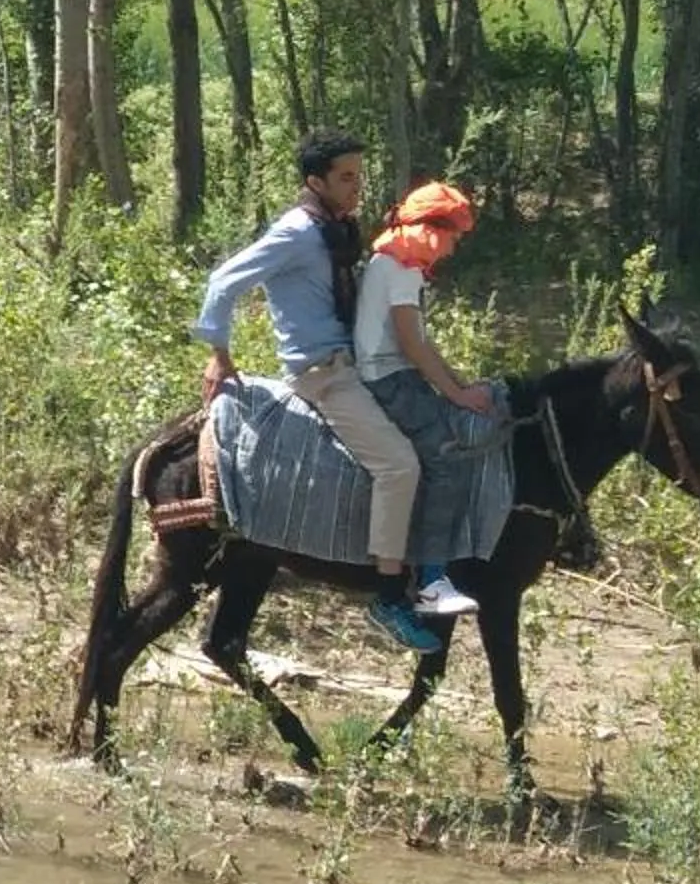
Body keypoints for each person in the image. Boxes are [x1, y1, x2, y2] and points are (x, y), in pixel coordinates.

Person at [194, 131, 438, 652]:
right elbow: (222, 282)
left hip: (356, 363)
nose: (358, 187)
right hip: (324, 374)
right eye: (347, 177)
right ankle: (390, 596)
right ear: (315, 181)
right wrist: (218, 352)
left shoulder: (335, 228)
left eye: (359, 175)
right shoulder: (297, 232)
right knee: (399, 466)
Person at [355, 181, 497, 621]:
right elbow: (412, 346)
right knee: (447, 457)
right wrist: (456, 394)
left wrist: (460, 385)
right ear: (431, 229)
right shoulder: (401, 268)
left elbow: (422, 344)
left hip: (398, 372)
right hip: (388, 378)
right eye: (452, 237)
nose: (452, 250)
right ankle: (432, 581)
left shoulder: (397, 261)